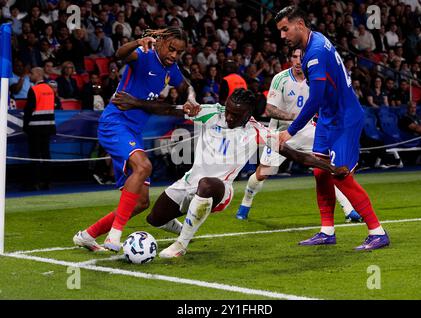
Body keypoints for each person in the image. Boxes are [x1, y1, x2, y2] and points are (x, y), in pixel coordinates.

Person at [114, 88, 346, 258]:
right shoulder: (211, 113)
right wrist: (135, 101)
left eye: (236, 114)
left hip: (219, 189)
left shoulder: (257, 131)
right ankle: (187, 228)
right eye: (229, 111)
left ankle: (180, 245)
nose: (229, 117)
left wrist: (332, 168)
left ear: (248, 114)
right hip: (187, 183)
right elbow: (169, 110)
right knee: (154, 219)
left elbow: (296, 155)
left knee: (205, 184)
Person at [73, 27, 201, 252]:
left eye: (179, 52)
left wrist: (190, 99)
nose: (174, 55)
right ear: (160, 42)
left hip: (133, 133)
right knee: (144, 166)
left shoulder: (170, 69)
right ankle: (114, 236)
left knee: (141, 202)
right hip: (115, 123)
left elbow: (186, 86)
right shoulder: (144, 55)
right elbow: (120, 54)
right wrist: (137, 42)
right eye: (171, 49)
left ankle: (87, 235)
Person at [276, 6, 390, 251]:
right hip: (329, 117)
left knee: (339, 174)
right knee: (320, 171)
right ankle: (327, 230)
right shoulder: (316, 40)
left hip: (344, 119)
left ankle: (377, 231)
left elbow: (315, 98)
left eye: (285, 29)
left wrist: (291, 131)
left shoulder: (314, 53)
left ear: (300, 25)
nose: (283, 36)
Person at [236, 48, 362, 223]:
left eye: (301, 58)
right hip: (281, 133)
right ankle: (246, 202)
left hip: (308, 131)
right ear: (290, 58)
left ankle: (349, 210)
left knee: (327, 166)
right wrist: (295, 117)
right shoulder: (280, 79)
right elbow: (270, 109)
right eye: (294, 57)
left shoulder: (316, 79)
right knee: (263, 173)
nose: (297, 61)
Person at [22, 67, 56, 191]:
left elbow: (28, 110)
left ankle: (34, 183)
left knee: (34, 155)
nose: (30, 75)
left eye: (31, 73)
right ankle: (47, 182)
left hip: (35, 128)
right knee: (46, 155)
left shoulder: (34, 89)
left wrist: (25, 127)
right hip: (48, 126)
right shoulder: (50, 90)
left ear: (37, 74)